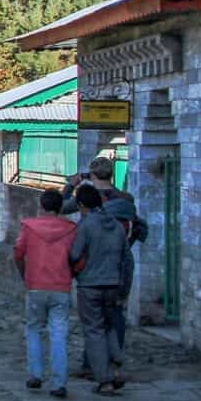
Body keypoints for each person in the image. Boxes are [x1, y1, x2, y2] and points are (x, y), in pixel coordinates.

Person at [64, 154, 145, 373]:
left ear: (91, 174)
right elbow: (136, 228)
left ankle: (92, 364)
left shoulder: (87, 200)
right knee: (114, 314)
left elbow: (60, 207)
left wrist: (70, 185)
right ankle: (113, 358)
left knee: (93, 322)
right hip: (118, 261)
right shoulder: (125, 200)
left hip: (92, 264)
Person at [69, 184, 133, 396]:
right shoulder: (116, 225)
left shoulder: (86, 226)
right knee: (109, 326)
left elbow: (75, 254)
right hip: (113, 284)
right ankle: (117, 365)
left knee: (94, 330)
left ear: (81, 205)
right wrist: (124, 286)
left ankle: (104, 380)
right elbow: (126, 258)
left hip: (90, 284)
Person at [13, 189, 77, 398]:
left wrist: (26, 274)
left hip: (36, 285)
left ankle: (35, 374)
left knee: (33, 330)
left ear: (41, 206)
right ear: (60, 208)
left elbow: (18, 252)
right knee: (58, 334)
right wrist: (72, 273)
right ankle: (59, 382)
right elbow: (78, 256)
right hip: (61, 286)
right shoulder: (70, 229)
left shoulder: (29, 227)